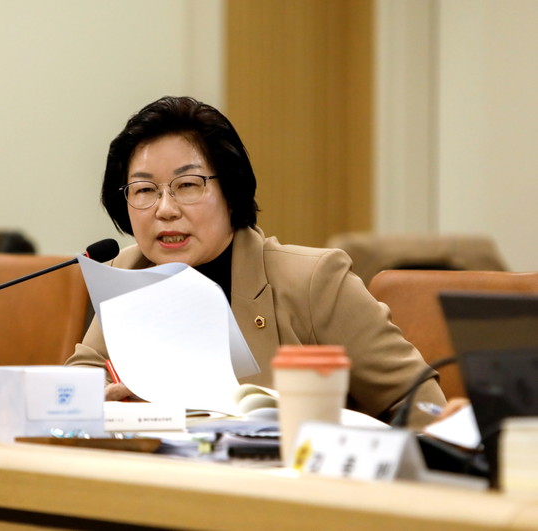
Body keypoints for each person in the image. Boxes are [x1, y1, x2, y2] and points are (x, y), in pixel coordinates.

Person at [65, 95, 447, 429]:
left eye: (187, 185)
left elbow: (421, 405)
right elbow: (82, 380)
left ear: (231, 193)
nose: (165, 209)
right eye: (145, 190)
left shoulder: (315, 281)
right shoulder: (129, 272)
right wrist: (105, 401)